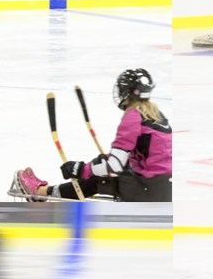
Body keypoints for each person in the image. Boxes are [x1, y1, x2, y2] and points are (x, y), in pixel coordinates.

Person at [16, 69, 172, 202]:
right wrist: (99, 163)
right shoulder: (156, 114)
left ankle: (40, 193)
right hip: (162, 188)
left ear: (129, 92)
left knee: (98, 178)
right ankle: (47, 191)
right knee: (102, 165)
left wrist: (82, 170)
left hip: (148, 190)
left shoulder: (133, 116)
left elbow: (115, 166)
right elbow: (147, 158)